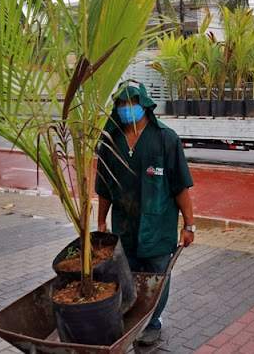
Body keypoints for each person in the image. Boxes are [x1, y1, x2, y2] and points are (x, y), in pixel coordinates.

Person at [96, 80, 195, 346]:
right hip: (124, 227)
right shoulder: (110, 141)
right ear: (115, 108)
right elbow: (103, 187)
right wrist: (100, 222)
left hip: (159, 227)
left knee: (158, 277)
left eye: (133, 102)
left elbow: (180, 187)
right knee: (128, 276)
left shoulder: (165, 139)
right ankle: (134, 317)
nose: (128, 108)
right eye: (121, 104)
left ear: (144, 104)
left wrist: (189, 225)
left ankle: (152, 322)